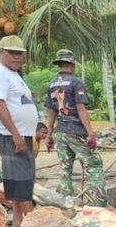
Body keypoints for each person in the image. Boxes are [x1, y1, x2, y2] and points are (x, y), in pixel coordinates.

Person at [0, 35, 38, 227]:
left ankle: (18, 223)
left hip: (21, 135)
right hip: (11, 136)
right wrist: (16, 134)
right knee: (22, 184)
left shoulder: (12, 74)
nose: (17, 57)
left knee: (21, 183)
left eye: (20, 54)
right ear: (1, 53)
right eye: (12, 53)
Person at [44, 49, 104, 206]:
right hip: (76, 131)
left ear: (59, 64)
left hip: (60, 131)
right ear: (72, 64)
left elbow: (51, 113)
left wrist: (49, 135)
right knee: (93, 166)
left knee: (65, 169)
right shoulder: (76, 83)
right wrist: (90, 133)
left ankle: (67, 205)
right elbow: (81, 109)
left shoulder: (51, 84)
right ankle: (98, 205)